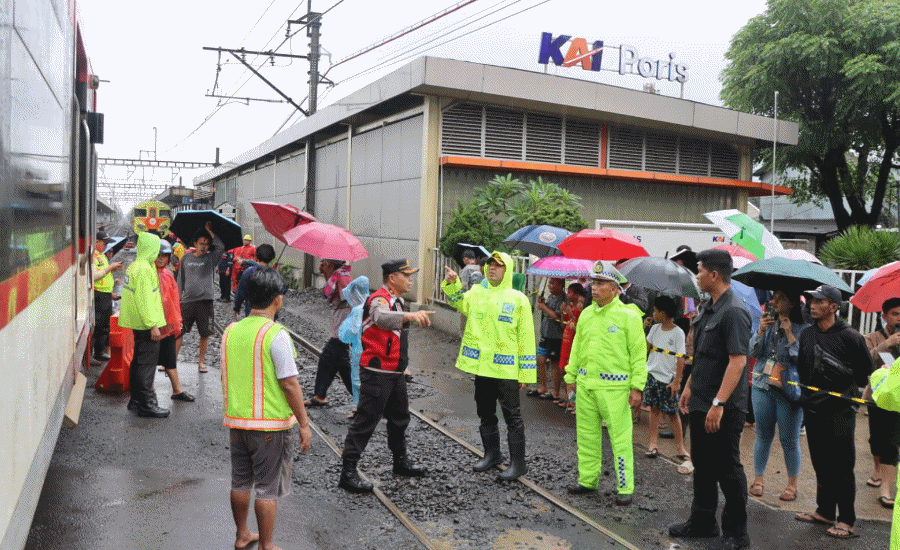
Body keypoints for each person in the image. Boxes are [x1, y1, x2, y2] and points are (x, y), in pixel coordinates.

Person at [220, 266, 312, 550]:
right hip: (270, 426)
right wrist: (305, 424)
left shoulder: (231, 330)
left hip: (237, 422)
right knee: (266, 488)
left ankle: (242, 534)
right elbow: (289, 384)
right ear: (277, 299)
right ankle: (267, 544)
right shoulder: (276, 334)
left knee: (240, 481)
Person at [670, 249, 751, 550]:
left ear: (715, 274)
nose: (697, 275)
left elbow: (738, 362)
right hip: (702, 400)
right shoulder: (708, 307)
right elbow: (703, 355)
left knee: (727, 468)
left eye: (700, 270)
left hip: (723, 406)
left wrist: (718, 403)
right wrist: (689, 385)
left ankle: (736, 534)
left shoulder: (734, 311)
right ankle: (703, 521)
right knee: (702, 465)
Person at [338, 259, 433, 493]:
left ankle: (400, 461)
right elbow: (381, 318)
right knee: (365, 421)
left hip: (395, 372)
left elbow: (397, 337)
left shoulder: (398, 301)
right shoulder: (380, 299)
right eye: (407, 275)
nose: (411, 279)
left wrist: (404, 366)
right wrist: (410, 317)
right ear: (392, 278)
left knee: (400, 418)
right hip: (377, 372)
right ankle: (348, 471)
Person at [442, 252, 537, 481]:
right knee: (485, 413)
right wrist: (453, 283)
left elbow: (526, 338)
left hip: (507, 371)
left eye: (498, 265)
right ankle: (492, 454)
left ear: (508, 270)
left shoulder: (518, 299)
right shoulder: (477, 293)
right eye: (490, 265)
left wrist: (525, 373)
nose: (492, 268)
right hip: (483, 369)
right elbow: (458, 302)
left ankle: (518, 463)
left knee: (512, 417)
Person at [564, 261, 647, 506]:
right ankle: (588, 480)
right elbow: (577, 347)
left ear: (615, 289)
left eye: (600, 283)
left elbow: (638, 355)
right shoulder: (587, 313)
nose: (594, 288)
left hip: (616, 390)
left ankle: (625, 486)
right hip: (587, 387)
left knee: (620, 440)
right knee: (587, 437)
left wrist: (637, 387)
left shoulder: (629, 316)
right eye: (594, 283)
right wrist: (570, 377)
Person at [793, 284, 872, 539]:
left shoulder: (851, 337)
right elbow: (802, 370)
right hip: (814, 409)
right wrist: (808, 399)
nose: (813, 305)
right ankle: (825, 511)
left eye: (819, 301)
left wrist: (842, 391)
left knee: (841, 466)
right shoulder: (806, 335)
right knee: (821, 463)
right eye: (812, 301)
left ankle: (847, 520)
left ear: (834, 307)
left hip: (840, 412)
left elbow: (863, 375)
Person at [747, 290, 808, 502]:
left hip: (788, 389)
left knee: (789, 439)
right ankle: (758, 479)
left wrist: (790, 334)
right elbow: (753, 352)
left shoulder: (803, 327)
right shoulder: (769, 323)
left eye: (780, 298)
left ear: (791, 302)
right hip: (763, 384)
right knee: (763, 435)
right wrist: (761, 331)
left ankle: (792, 485)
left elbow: (801, 359)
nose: (774, 301)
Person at [119, 231, 169, 418]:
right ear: (151, 248)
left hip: (139, 323)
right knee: (146, 365)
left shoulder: (136, 266)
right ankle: (146, 404)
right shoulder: (145, 270)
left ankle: (136, 400)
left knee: (138, 362)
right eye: (156, 248)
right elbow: (145, 300)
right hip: (146, 325)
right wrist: (153, 325)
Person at [642, 295, 689, 462]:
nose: (653, 314)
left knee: (672, 413)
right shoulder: (654, 329)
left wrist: (677, 381)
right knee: (653, 409)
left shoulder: (678, 332)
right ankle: (653, 443)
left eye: (655, 311)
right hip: (652, 375)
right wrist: (646, 328)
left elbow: (681, 358)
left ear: (663, 312)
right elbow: (646, 348)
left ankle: (680, 447)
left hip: (667, 379)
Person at [864, 297, 900, 508]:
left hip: (897, 400)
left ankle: (885, 488)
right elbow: (863, 361)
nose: (898, 318)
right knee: (876, 439)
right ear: (884, 315)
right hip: (877, 397)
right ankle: (877, 469)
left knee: (891, 442)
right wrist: (885, 345)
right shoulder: (873, 337)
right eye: (895, 314)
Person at [175, 222, 223, 374]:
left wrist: (210, 230)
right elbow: (180, 280)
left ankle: (201, 362)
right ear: (194, 243)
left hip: (205, 302)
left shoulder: (211, 259)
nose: (204, 246)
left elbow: (220, 247)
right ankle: (172, 361)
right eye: (201, 243)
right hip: (187, 301)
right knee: (178, 332)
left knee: (204, 334)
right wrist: (177, 298)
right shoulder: (186, 258)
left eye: (207, 244)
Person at [305, 259, 354, 407]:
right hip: (340, 330)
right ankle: (320, 396)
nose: (320, 268)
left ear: (331, 266)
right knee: (327, 360)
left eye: (324, 265)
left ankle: (366, 402)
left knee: (344, 367)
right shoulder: (337, 277)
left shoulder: (342, 279)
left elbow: (353, 301)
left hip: (343, 331)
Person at [155, 240, 194, 403]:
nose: (163, 259)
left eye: (166, 255)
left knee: (170, 358)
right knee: (150, 359)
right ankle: (150, 391)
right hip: (154, 325)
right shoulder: (150, 274)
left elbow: (174, 299)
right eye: (159, 255)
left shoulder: (167, 275)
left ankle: (177, 390)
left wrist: (177, 321)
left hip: (168, 324)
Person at [338, 276, 370, 418]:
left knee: (357, 378)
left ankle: (359, 408)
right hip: (372, 348)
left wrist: (344, 333)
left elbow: (352, 330)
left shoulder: (358, 309)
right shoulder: (372, 304)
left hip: (359, 349)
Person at [529, 277, 565, 400]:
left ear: (560, 285)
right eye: (549, 283)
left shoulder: (563, 300)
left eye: (552, 283)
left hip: (555, 336)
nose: (549, 286)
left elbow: (556, 316)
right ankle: (543, 386)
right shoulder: (551, 297)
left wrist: (544, 307)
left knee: (555, 363)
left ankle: (555, 392)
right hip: (545, 333)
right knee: (540, 360)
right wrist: (543, 302)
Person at [92, 230, 123, 366]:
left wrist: (112, 280)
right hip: (98, 294)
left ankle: (100, 352)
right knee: (98, 325)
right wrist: (111, 267)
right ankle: (94, 353)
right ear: (97, 242)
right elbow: (95, 276)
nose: (106, 247)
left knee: (104, 325)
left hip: (105, 295)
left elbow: (104, 274)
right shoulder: (93, 256)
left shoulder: (101, 256)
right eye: (105, 244)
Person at [557, 282, 586, 412]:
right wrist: (564, 312)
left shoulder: (582, 313)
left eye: (582, 303)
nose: (580, 305)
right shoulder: (571, 308)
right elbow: (564, 325)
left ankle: (573, 402)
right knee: (564, 371)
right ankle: (568, 399)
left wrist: (571, 313)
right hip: (565, 343)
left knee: (571, 373)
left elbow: (578, 326)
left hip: (572, 346)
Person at [233, 244, 277, 320]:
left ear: (256, 256)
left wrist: (236, 307)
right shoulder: (273, 275)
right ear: (272, 258)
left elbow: (240, 292)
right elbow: (279, 294)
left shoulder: (248, 272)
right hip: (268, 315)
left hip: (251, 311)